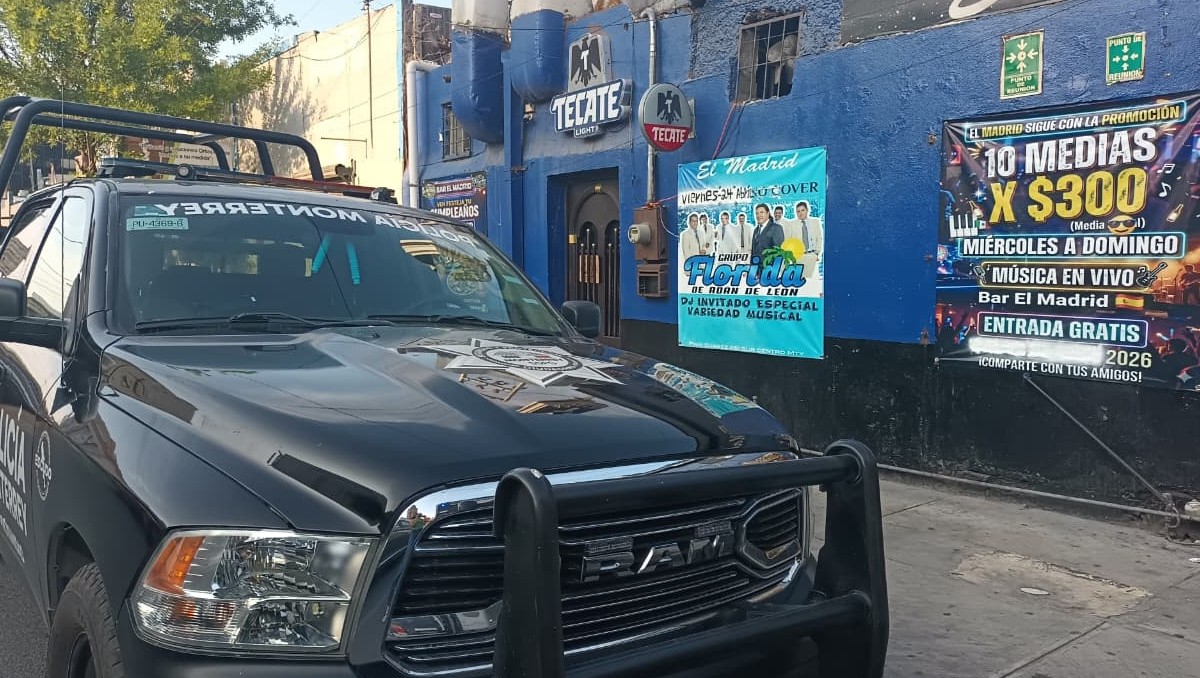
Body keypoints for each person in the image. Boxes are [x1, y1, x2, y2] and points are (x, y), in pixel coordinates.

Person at [782, 200, 824, 275]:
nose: (800, 213)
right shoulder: (791, 224)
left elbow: (819, 238)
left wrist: (817, 253)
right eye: (798, 211)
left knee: (812, 281)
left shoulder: (815, 222)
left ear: (807, 210)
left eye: (802, 210)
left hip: (812, 256)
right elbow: (787, 241)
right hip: (798, 257)